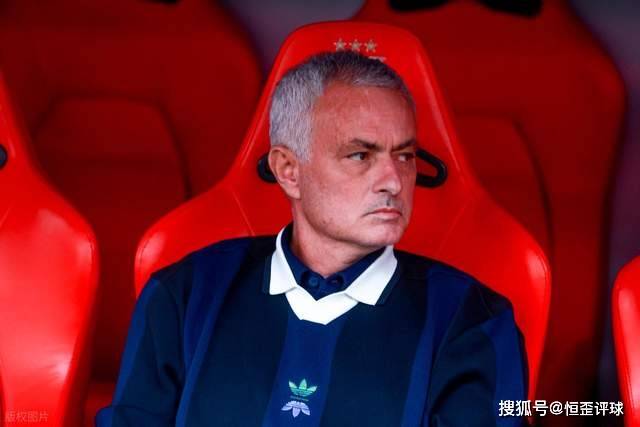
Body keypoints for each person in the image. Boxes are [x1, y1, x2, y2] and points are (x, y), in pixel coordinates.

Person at [96, 51, 527, 426]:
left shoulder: (473, 320)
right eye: (360, 155)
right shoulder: (184, 294)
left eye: (405, 156)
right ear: (288, 170)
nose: (394, 181)